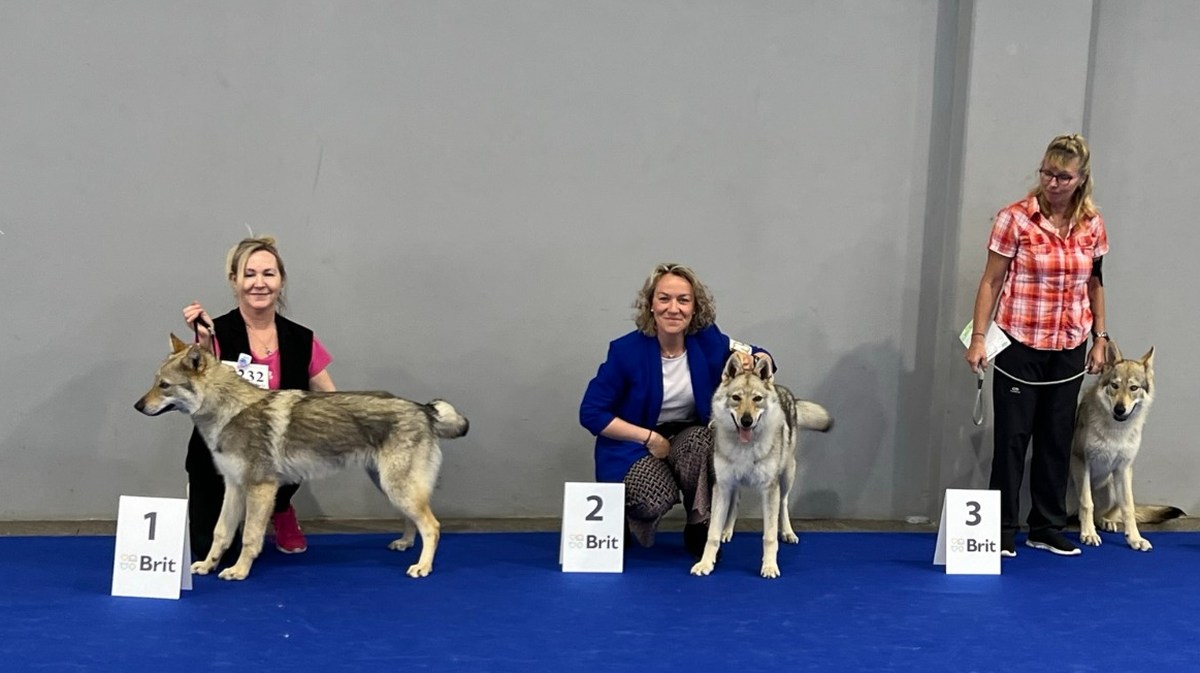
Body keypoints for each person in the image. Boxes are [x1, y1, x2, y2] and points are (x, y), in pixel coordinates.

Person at [965, 134, 1109, 558]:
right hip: (1019, 343)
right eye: (1047, 173)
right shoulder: (1015, 219)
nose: (1053, 182)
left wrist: (1100, 338)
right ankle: (1001, 530)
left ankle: (1046, 526)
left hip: (1069, 344)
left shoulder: (1092, 224)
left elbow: (1095, 282)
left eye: (1063, 176)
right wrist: (978, 338)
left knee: (1056, 438)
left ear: (1081, 179)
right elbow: (991, 281)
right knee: (1012, 438)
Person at [579, 263, 773, 560]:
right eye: (664, 299)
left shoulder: (709, 340)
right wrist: (649, 438)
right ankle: (621, 518)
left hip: (687, 438)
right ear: (651, 304)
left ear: (695, 308)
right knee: (653, 498)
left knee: (705, 439)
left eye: (683, 300)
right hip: (635, 445)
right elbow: (591, 412)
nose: (673, 308)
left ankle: (698, 524)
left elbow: (758, 352)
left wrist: (757, 357)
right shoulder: (625, 351)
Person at [182, 236, 335, 561]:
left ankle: (280, 505)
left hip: (278, 455)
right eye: (249, 274)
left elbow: (332, 400)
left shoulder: (302, 338)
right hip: (221, 457)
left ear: (281, 280)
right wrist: (203, 344)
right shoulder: (213, 333)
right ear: (234, 280)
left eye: (268, 274)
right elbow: (197, 397)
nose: (259, 283)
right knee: (208, 551)